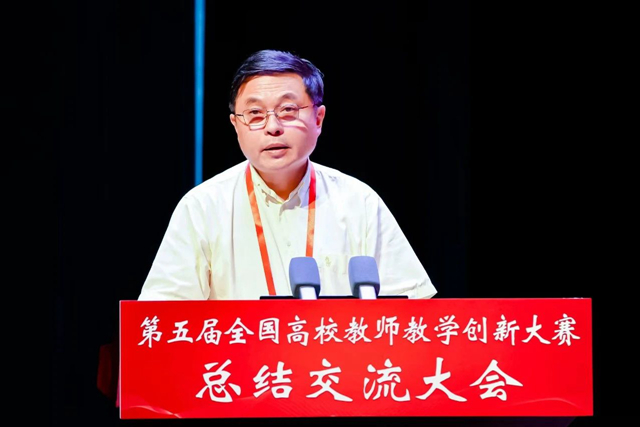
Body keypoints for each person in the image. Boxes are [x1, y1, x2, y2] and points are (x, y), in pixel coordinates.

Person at [138, 49, 436, 301]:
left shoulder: (359, 202)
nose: (273, 127)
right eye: (255, 114)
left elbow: (413, 311)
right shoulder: (202, 207)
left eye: (288, 110)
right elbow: (161, 318)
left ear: (318, 118)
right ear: (236, 126)